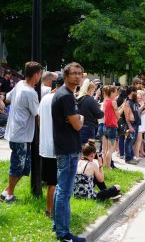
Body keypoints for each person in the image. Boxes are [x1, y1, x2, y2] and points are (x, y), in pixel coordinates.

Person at [51, 62, 86, 242]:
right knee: (64, 192)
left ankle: (57, 226)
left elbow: (74, 121)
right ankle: (63, 234)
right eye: (74, 73)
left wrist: (76, 118)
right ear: (65, 76)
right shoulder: (65, 96)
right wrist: (81, 117)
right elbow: (78, 124)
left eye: (80, 73)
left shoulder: (67, 95)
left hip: (67, 148)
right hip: (67, 149)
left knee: (61, 190)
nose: (78, 76)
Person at [0, 61, 42, 203]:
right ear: (36, 74)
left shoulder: (19, 85)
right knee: (18, 165)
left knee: (24, 167)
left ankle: (6, 191)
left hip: (16, 132)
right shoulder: (30, 92)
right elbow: (38, 114)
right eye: (40, 74)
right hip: (21, 135)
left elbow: (8, 98)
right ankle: (9, 195)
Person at [39, 76, 64, 218]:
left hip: (45, 146)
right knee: (54, 182)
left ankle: (49, 209)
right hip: (56, 146)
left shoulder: (45, 98)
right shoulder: (59, 99)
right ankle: (51, 211)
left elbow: (39, 120)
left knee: (50, 182)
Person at [102, 85, 125, 169]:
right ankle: (109, 167)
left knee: (105, 149)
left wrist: (121, 106)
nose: (116, 94)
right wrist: (123, 107)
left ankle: (104, 165)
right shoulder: (113, 101)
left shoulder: (106, 101)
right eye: (115, 92)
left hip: (105, 126)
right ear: (111, 93)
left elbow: (112, 111)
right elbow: (118, 115)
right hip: (112, 127)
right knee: (110, 150)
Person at [123, 86, 140, 164]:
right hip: (131, 124)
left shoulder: (133, 102)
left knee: (132, 141)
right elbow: (126, 116)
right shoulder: (127, 103)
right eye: (135, 91)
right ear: (131, 92)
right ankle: (128, 158)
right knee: (129, 141)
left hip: (136, 124)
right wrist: (129, 126)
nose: (136, 93)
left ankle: (131, 156)